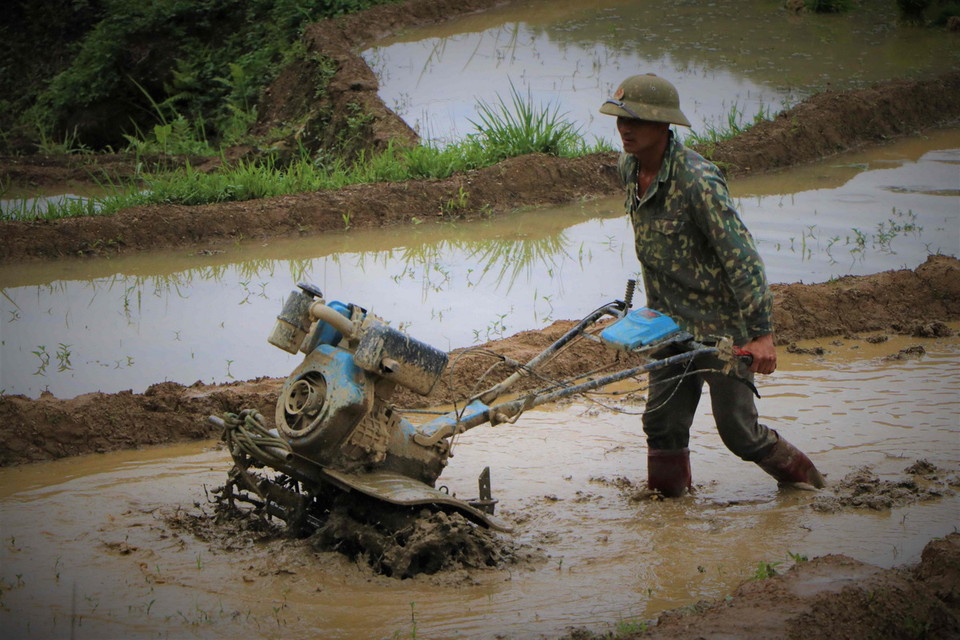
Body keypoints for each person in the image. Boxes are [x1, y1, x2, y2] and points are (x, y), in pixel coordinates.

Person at [599, 73, 825, 496]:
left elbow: (741, 257)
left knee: (741, 434)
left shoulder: (698, 182)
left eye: (636, 121)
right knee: (661, 424)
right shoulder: (628, 168)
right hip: (668, 323)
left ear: (664, 126)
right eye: (620, 121)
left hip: (721, 330)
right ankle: (669, 514)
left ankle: (814, 489)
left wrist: (761, 335)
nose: (624, 130)